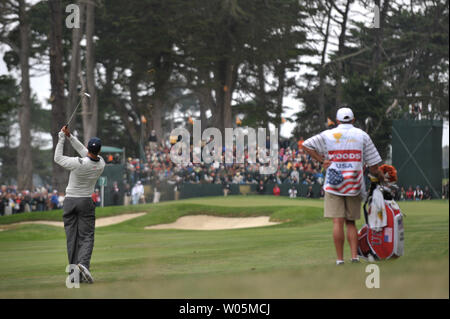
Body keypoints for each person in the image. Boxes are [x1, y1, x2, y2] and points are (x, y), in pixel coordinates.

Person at [303, 107, 384, 265]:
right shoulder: (362, 135)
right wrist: (381, 176)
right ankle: (354, 257)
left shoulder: (328, 134)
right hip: (354, 184)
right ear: (353, 120)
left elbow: (306, 145)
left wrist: (321, 160)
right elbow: (374, 165)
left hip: (334, 184)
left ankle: (340, 260)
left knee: (337, 222)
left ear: (337, 121)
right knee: (351, 222)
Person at [54, 125, 105, 284]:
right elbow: (85, 151)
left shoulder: (78, 163)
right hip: (85, 202)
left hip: (70, 201)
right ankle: (83, 265)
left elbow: (58, 158)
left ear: (89, 147)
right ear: (99, 150)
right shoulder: (101, 163)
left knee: (72, 238)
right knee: (86, 236)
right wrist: (70, 137)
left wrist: (62, 138)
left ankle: (75, 275)